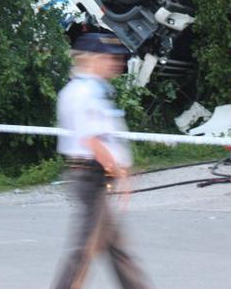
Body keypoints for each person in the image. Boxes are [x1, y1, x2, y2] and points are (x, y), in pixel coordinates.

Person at [53, 33, 151, 289]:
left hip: (95, 175)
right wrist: (118, 172)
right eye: (110, 58)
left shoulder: (92, 90)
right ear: (92, 59)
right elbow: (92, 140)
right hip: (91, 175)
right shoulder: (83, 92)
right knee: (84, 251)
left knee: (116, 249)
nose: (116, 64)